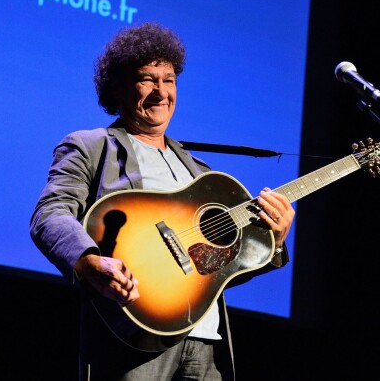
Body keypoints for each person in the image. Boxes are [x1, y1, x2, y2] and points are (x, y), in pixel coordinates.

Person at [30, 21, 295, 381]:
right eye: (146, 79)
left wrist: (275, 241)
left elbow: (218, 268)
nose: (160, 92)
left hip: (205, 343)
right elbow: (50, 214)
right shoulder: (91, 146)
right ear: (118, 88)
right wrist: (91, 263)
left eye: (168, 79)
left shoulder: (201, 173)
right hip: (132, 337)